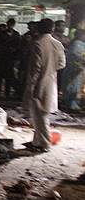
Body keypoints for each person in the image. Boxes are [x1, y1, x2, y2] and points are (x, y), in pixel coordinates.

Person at [23, 18, 66, 152]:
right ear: (52, 29)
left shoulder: (37, 44)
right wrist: (50, 69)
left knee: (39, 117)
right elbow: (61, 64)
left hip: (38, 84)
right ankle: (37, 141)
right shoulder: (58, 44)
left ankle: (45, 143)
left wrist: (30, 86)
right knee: (41, 115)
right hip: (51, 82)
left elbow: (35, 68)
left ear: (39, 29)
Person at [0, 18, 20, 98]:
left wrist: (15, 53)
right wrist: (4, 49)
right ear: (7, 24)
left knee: (9, 77)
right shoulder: (2, 34)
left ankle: (7, 93)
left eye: (12, 24)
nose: (10, 26)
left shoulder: (16, 34)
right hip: (2, 57)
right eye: (9, 24)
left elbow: (18, 46)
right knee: (0, 76)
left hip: (11, 58)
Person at [61, 29, 85, 110]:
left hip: (77, 69)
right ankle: (71, 104)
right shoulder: (76, 44)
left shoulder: (79, 44)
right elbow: (76, 56)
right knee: (73, 86)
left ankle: (73, 104)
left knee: (76, 86)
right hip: (74, 69)